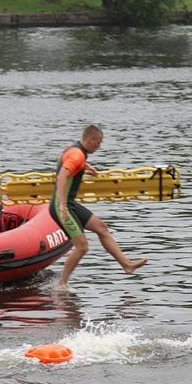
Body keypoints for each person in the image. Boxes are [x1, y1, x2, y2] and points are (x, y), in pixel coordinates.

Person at [50, 124, 148, 290]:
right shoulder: (77, 155)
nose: (99, 146)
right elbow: (61, 177)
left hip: (69, 203)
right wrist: (62, 206)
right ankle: (61, 285)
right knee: (82, 246)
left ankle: (127, 264)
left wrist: (85, 167)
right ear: (89, 139)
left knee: (102, 228)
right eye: (98, 143)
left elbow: (65, 157)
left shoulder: (74, 150)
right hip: (63, 206)